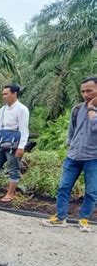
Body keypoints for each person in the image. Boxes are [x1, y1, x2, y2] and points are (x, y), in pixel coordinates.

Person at [41, 76, 97, 232]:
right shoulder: (77, 109)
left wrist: (92, 108)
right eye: (83, 91)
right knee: (63, 187)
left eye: (89, 91)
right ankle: (60, 217)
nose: (85, 94)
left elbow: (95, 127)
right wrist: (70, 147)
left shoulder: (91, 109)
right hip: (74, 156)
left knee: (92, 191)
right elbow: (72, 131)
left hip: (93, 158)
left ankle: (84, 219)